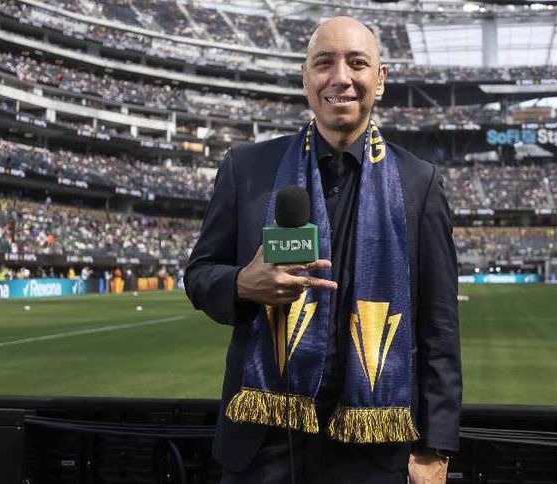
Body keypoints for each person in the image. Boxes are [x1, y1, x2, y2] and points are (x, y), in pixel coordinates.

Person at [185, 16, 461, 484]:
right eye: (324, 62)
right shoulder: (246, 168)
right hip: (262, 443)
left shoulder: (420, 183)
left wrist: (435, 449)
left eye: (357, 63)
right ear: (305, 77)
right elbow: (199, 275)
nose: (341, 77)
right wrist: (241, 284)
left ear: (380, 79)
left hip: (374, 447)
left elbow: (439, 327)